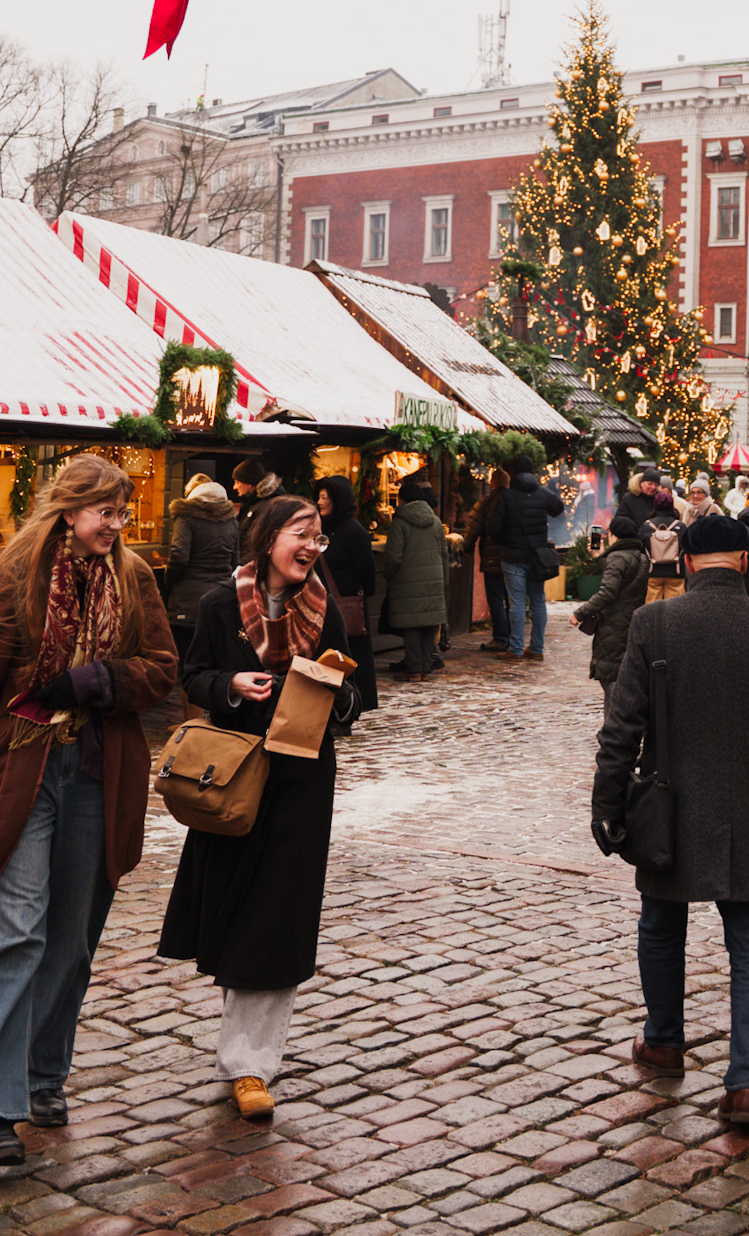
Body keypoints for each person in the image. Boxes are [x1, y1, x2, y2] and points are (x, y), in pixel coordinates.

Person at [0, 455, 182, 1171]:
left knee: (71, 936)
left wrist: (103, 679)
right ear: (69, 509)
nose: (117, 523)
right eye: (105, 510)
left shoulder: (133, 578)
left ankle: (44, 1074)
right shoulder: (15, 577)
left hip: (97, 772)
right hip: (22, 772)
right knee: (9, 934)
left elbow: (164, 665)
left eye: (122, 510)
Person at [591, 513, 749, 1134]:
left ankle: (664, 1042)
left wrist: (607, 807)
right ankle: (746, 1086)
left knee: (662, 926)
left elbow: (621, 730)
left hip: (671, 810)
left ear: (686, 561)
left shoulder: (654, 623)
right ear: (745, 561)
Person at [157, 494, 364, 1123]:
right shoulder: (221, 604)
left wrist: (331, 691)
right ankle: (240, 1044)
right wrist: (229, 685)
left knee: (278, 917)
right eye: (301, 534)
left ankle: (252, 1065)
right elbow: (192, 677)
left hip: (303, 781)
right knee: (235, 909)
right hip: (236, 776)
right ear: (268, 538)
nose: (311, 547)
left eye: (317, 538)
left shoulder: (326, 609)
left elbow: (361, 697)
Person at [312, 476, 380, 716]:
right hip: (321, 602)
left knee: (351, 656)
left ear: (337, 500)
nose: (320, 502)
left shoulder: (354, 531)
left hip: (347, 604)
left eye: (324, 497)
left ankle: (353, 705)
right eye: (318, 497)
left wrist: (361, 595)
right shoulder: (321, 528)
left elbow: (367, 569)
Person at [376, 483, 449, 678]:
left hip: (406, 580)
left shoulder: (399, 523)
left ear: (402, 499)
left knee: (412, 626)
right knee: (427, 624)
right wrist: (444, 581)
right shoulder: (435, 521)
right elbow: (444, 554)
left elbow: (394, 557)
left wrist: (389, 577)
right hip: (434, 580)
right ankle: (425, 668)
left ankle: (414, 668)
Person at [574, 509, 650, 687]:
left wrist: (580, 613)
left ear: (615, 536)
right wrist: (600, 558)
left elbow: (608, 592)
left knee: (611, 676)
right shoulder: (641, 557)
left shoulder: (616, 558)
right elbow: (625, 578)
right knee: (625, 671)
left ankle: (614, 715)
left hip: (613, 622)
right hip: (632, 619)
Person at [495, 465, 565, 660]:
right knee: (538, 602)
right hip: (537, 558)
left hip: (513, 557)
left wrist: (506, 540)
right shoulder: (543, 493)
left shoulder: (506, 496)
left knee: (516, 603)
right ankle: (537, 648)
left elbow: (494, 527)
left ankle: (516, 648)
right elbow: (558, 508)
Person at [162, 475, 240, 628]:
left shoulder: (186, 516)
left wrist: (168, 581)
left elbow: (178, 555)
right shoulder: (231, 520)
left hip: (188, 599)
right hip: (222, 595)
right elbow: (235, 559)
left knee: (185, 648)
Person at [473, 466, 513, 653]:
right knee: (512, 600)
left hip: (491, 560)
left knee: (496, 600)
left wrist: (466, 547)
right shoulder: (514, 501)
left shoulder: (486, 502)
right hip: (512, 557)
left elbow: (473, 526)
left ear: (492, 483)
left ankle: (500, 638)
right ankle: (513, 638)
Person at [638, 475, 684, 606]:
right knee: (676, 608)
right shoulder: (680, 526)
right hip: (676, 571)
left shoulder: (647, 526)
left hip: (653, 571)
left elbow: (640, 546)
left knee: (652, 609)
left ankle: (653, 627)